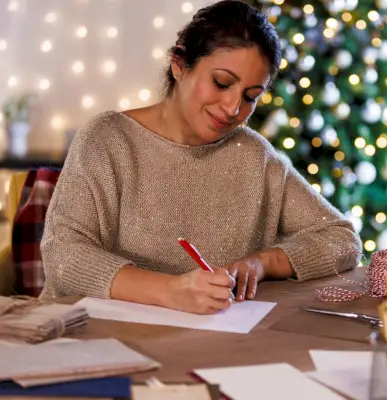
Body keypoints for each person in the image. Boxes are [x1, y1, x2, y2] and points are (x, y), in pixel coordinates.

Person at [40, 0, 362, 315]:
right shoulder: (108, 139)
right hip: (91, 341)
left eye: (251, 96)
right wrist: (170, 292)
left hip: (204, 349)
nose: (233, 108)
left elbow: (342, 239)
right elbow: (63, 255)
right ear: (179, 64)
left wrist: (261, 263)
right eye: (221, 83)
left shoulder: (253, 156)